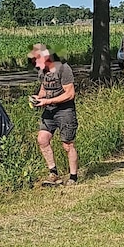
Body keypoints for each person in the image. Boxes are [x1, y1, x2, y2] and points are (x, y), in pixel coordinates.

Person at [28, 44, 78, 186]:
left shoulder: (63, 68)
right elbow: (44, 89)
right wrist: (38, 98)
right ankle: (53, 173)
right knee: (42, 139)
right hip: (49, 110)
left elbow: (70, 94)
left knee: (67, 144)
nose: (35, 63)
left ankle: (73, 177)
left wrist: (47, 101)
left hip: (65, 110)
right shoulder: (42, 71)